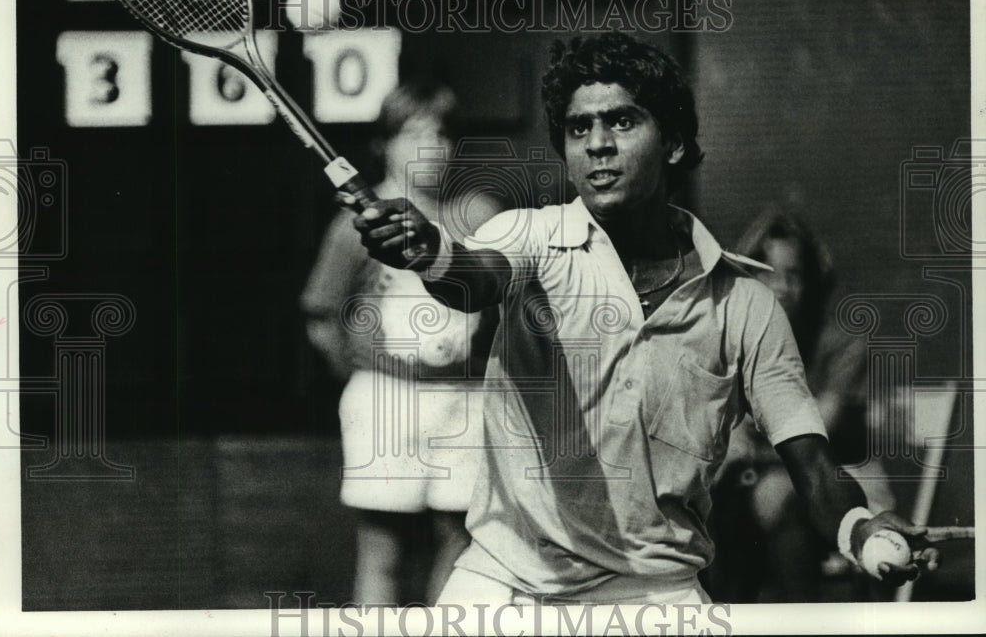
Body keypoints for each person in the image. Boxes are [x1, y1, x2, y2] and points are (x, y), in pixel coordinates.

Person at [344, 32, 938, 605]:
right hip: (504, 584)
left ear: (674, 142)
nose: (598, 143)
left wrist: (860, 528)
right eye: (580, 128)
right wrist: (431, 251)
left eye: (622, 122)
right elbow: (473, 277)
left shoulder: (745, 303)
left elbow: (809, 462)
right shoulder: (528, 236)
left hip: (656, 594)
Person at [301, 81, 499, 605]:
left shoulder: (481, 214)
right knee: (382, 548)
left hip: (466, 399)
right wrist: (371, 376)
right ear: (384, 144)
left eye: (441, 134)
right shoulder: (355, 226)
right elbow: (322, 317)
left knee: (463, 545)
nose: (430, 148)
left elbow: (508, 302)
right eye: (413, 134)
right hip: (385, 399)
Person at [703, 209, 895, 602]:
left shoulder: (839, 343)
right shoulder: (736, 344)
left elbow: (812, 438)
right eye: (768, 274)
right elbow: (729, 438)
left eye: (795, 275)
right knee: (710, 497)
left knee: (773, 493)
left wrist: (743, 451)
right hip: (759, 487)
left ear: (813, 280)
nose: (783, 287)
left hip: (842, 481)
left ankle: (795, 611)